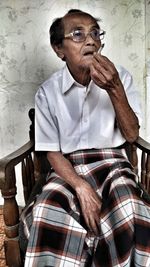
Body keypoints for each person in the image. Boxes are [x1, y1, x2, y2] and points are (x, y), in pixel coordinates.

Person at [21, 9, 150, 267]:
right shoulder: (48, 92)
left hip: (114, 163)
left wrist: (115, 89)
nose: (91, 40)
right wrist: (80, 186)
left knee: (130, 206)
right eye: (78, 34)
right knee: (48, 210)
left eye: (95, 33)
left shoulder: (120, 77)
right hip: (67, 168)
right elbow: (52, 152)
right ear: (59, 49)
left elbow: (132, 134)